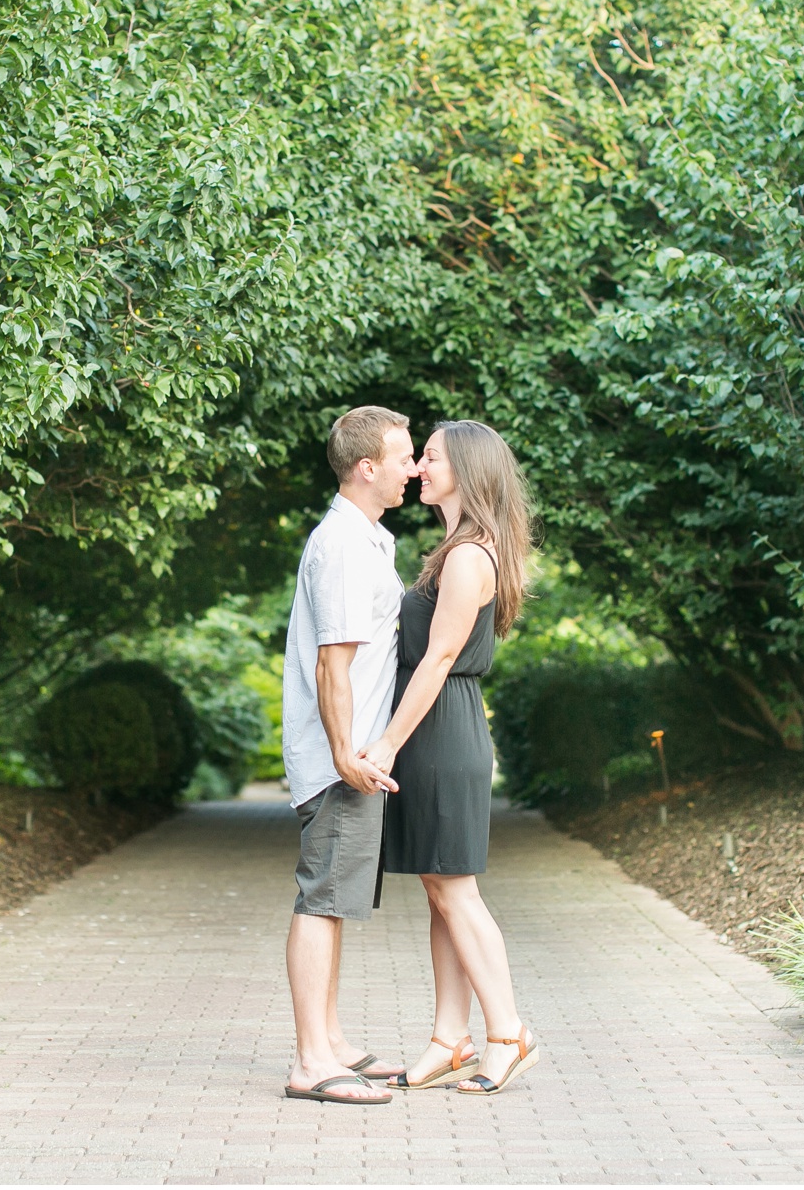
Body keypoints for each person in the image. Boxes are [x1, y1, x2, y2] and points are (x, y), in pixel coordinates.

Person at [360, 420, 542, 1096]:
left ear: (464, 468)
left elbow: (436, 658)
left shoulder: (469, 555)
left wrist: (386, 743)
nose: (417, 467)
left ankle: (506, 1031)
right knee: (440, 889)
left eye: (429, 457)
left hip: (441, 731)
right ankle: (450, 1037)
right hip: (437, 728)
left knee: (456, 891)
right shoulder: (455, 548)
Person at [279, 406, 417, 1104]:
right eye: (403, 456)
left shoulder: (370, 540)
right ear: (367, 468)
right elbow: (333, 665)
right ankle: (310, 1061)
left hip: (357, 752)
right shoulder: (338, 544)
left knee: (334, 902)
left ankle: (330, 1041)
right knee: (321, 899)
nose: (413, 467)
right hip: (344, 758)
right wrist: (342, 755)